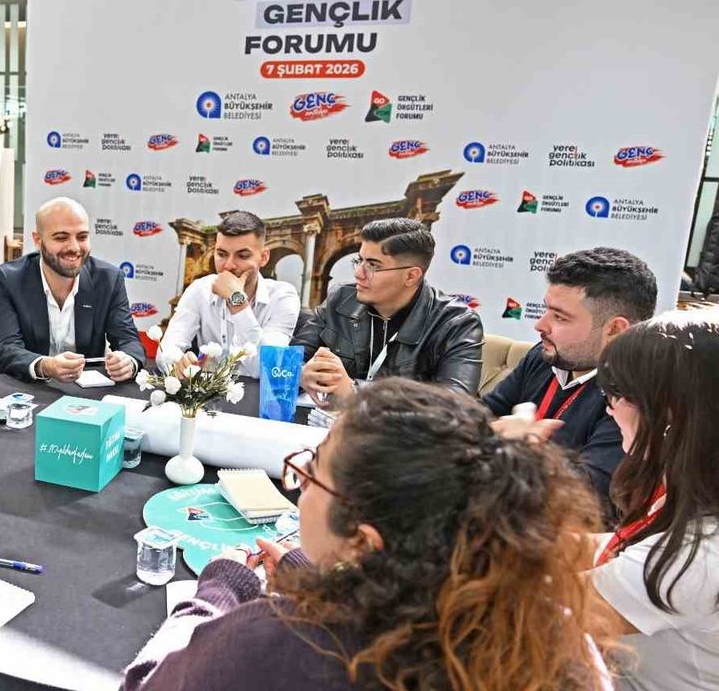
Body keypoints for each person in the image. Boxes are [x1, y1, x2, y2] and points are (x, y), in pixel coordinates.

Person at [122, 378, 618, 691]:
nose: (299, 483)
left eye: (313, 470)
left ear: (362, 541)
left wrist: (218, 592)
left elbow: (144, 685)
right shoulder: (551, 630)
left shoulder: (291, 642)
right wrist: (320, 577)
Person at [588, 309, 719, 689]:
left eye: (619, 394)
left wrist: (511, 468)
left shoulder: (695, 555)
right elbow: (611, 547)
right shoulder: (688, 495)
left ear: (672, 413)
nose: (610, 407)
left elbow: (530, 610)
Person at [483, 247, 657, 517]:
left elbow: (590, 495)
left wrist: (517, 447)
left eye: (560, 317)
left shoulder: (637, 392)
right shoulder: (545, 356)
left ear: (614, 329)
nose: (540, 325)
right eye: (546, 310)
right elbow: (480, 415)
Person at [294, 218, 484, 402]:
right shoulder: (341, 299)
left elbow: (455, 404)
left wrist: (356, 394)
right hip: (332, 421)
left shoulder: (456, 323)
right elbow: (290, 362)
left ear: (411, 276)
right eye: (359, 260)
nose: (358, 273)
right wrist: (301, 375)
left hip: (396, 426)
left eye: (373, 265)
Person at [0, 197, 146, 382]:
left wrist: (127, 362)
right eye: (61, 238)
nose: (74, 247)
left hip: (84, 391)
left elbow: (129, 341)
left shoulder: (108, 279)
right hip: (23, 386)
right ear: (38, 240)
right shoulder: (6, 279)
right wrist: (45, 366)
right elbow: (4, 349)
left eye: (82, 237)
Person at [156, 211, 300, 378]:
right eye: (221, 254)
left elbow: (269, 368)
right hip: (207, 391)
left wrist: (237, 301)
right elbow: (166, 350)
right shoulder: (200, 289)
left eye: (243, 256)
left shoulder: (283, 296)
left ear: (263, 257)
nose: (229, 265)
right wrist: (176, 362)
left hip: (257, 393)